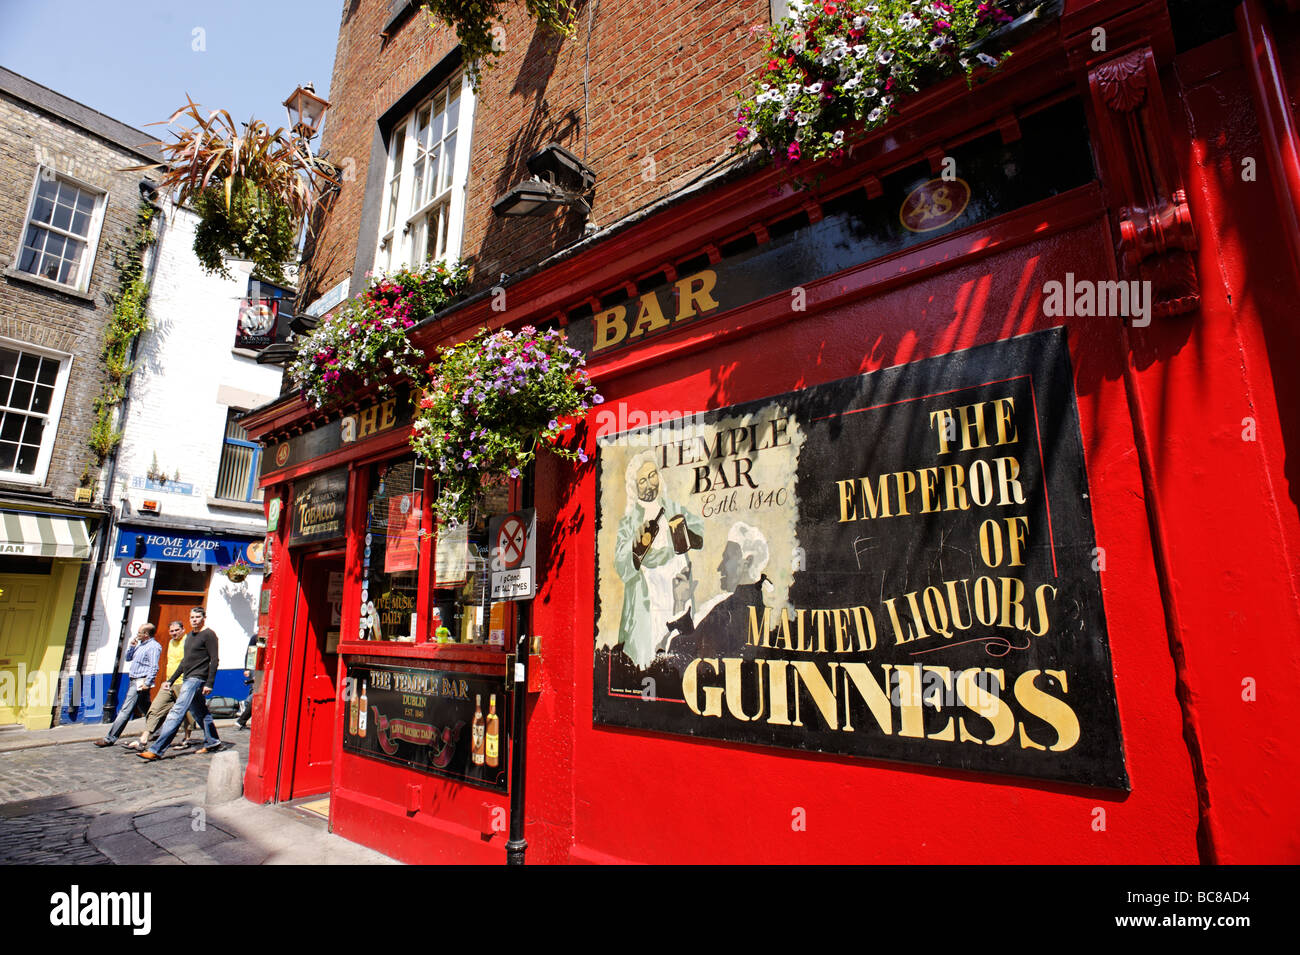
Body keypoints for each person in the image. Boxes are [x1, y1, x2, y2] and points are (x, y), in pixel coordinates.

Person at [613, 451, 704, 668]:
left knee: (678, 648)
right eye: (642, 480)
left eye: (652, 476)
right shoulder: (629, 523)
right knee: (650, 655)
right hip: (648, 598)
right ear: (634, 487)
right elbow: (621, 564)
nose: (648, 484)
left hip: (676, 591)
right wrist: (638, 548)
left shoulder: (674, 509)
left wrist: (686, 534)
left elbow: (699, 536)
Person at [665, 521, 771, 660]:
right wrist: (681, 602)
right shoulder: (748, 605)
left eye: (726, 558)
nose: (719, 567)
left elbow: (685, 655)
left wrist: (679, 605)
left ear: (747, 562)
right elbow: (698, 643)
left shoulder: (729, 612)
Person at [138, 607, 221, 760]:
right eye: (192, 617)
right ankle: (213, 742)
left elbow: (214, 659)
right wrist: (170, 680)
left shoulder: (209, 634)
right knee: (200, 712)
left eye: (197, 617)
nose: (194, 619)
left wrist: (210, 682)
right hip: (187, 678)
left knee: (177, 712)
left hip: (197, 678)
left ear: (204, 618)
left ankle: (157, 750)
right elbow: (184, 662)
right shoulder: (189, 636)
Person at [130, 620, 196, 751]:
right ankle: (144, 739)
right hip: (169, 683)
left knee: (187, 713)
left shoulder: (188, 641)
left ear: (183, 630)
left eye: (177, 630)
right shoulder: (171, 642)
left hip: (183, 682)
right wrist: (167, 681)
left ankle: (187, 738)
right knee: (155, 708)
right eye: (171, 631)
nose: (174, 633)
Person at [93, 624, 161, 747]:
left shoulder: (153, 647)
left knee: (125, 710)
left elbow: (154, 666)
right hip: (133, 680)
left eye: (139, 632)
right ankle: (158, 731)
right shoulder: (141, 645)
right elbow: (128, 658)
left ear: (146, 634)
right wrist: (132, 647)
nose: (137, 635)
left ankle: (110, 738)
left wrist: (148, 682)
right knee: (146, 708)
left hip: (141, 682)